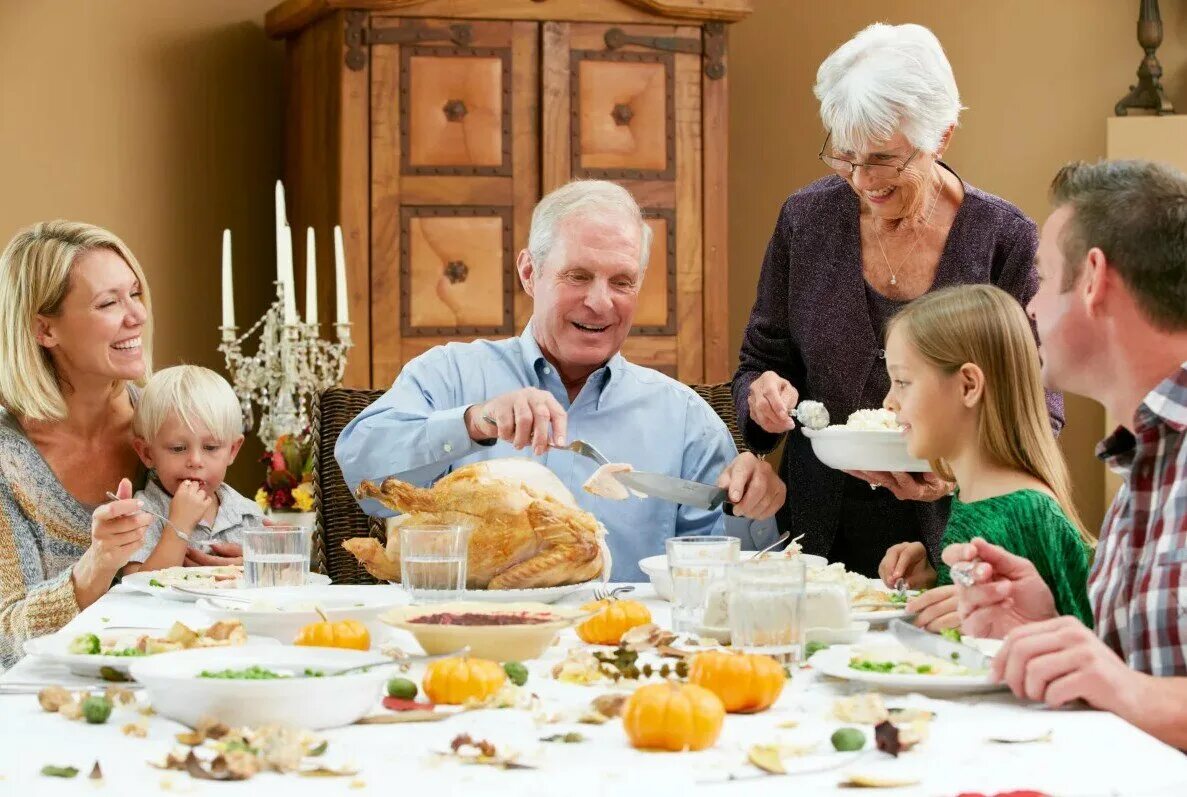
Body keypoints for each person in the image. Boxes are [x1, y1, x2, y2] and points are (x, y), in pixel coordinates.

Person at [733, 22, 1062, 578]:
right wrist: (761, 397)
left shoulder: (1003, 238)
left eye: (883, 159)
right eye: (845, 157)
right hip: (813, 535)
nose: (861, 180)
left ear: (943, 137)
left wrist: (957, 474)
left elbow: (1039, 408)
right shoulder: (806, 220)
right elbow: (759, 363)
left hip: (958, 539)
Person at [337, 180, 785, 581]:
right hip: (474, 645)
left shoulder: (685, 418)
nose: (600, 302)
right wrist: (474, 422)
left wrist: (752, 508)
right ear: (530, 272)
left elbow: (734, 578)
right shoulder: (449, 374)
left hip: (621, 654)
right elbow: (362, 471)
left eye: (622, 282)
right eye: (579, 276)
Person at [946, 160, 1187, 749]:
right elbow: (1140, 675)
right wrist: (1047, 629)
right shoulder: (1146, 458)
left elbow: (1134, 690)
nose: (1029, 306)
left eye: (1044, 277)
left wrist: (1125, 689)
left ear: (1093, 278)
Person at [873, 284, 1093, 631]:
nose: (889, 401)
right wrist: (936, 584)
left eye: (902, 382)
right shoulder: (971, 493)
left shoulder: (1027, 514)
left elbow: (1078, 648)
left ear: (968, 386)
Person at [0, 221, 157, 668]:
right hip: (39, 709)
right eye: (109, 302)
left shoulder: (166, 427)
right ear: (45, 331)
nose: (137, 315)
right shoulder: (7, 459)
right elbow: (5, 636)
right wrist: (96, 566)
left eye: (135, 293)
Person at [121, 366, 262, 574]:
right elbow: (136, 587)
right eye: (178, 448)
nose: (195, 461)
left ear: (232, 450)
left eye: (211, 448)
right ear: (147, 454)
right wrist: (179, 526)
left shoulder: (248, 514)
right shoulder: (142, 515)